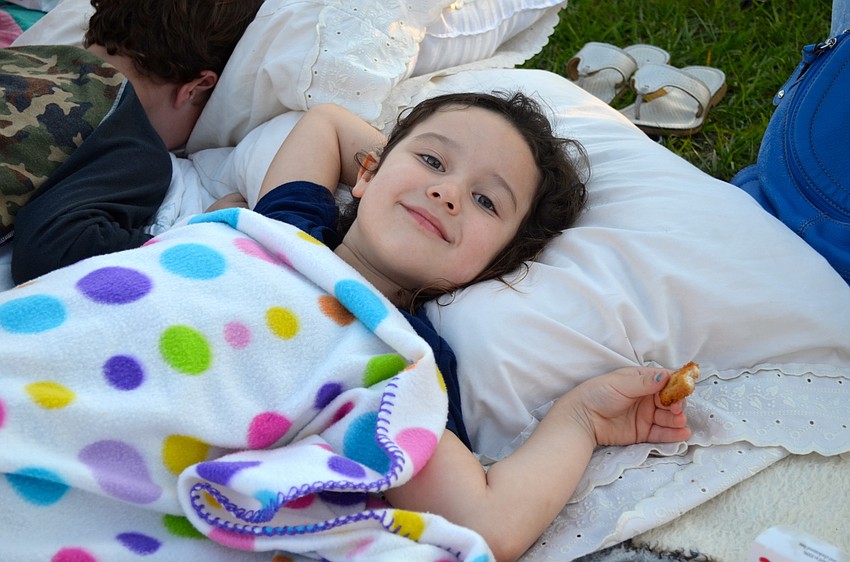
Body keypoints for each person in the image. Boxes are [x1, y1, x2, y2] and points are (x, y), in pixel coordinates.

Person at [223, 91, 693, 562]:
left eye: (486, 201)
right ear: (366, 171)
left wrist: (581, 420)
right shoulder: (290, 226)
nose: (447, 193)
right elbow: (326, 120)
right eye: (432, 160)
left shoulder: (404, 356)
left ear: (494, 264)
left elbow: (484, 524)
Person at [1, 0, 264, 284]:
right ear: (196, 88)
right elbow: (50, 249)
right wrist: (196, 236)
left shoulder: (19, 56)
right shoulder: (130, 136)